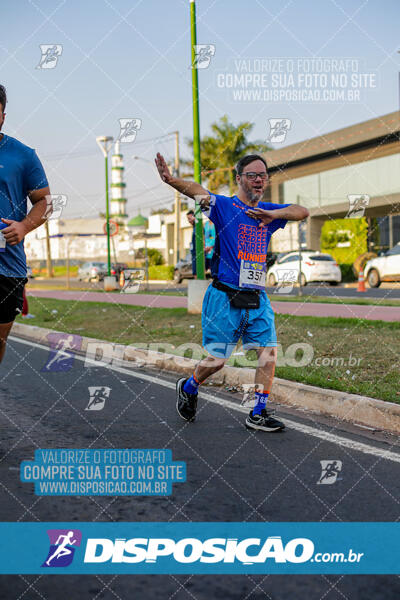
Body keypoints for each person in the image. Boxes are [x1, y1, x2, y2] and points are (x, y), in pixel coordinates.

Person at [155, 152, 309, 432]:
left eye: (263, 175)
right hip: (224, 297)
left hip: (257, 298)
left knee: (268, 354)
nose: (259, 180)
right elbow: (198, 191)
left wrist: (274, 214)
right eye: (252, 175)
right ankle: (189, 386)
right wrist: (171, 180)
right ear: (239, 179)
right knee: (217, 361)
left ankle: (258, 413)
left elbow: (302, 211)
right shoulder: (224, 207)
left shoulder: (268, 212)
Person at [0, 85, 50, 362]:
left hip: (6, 265)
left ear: (3, 116)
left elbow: (46, 201)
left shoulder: (23, 155)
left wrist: (24, 226)